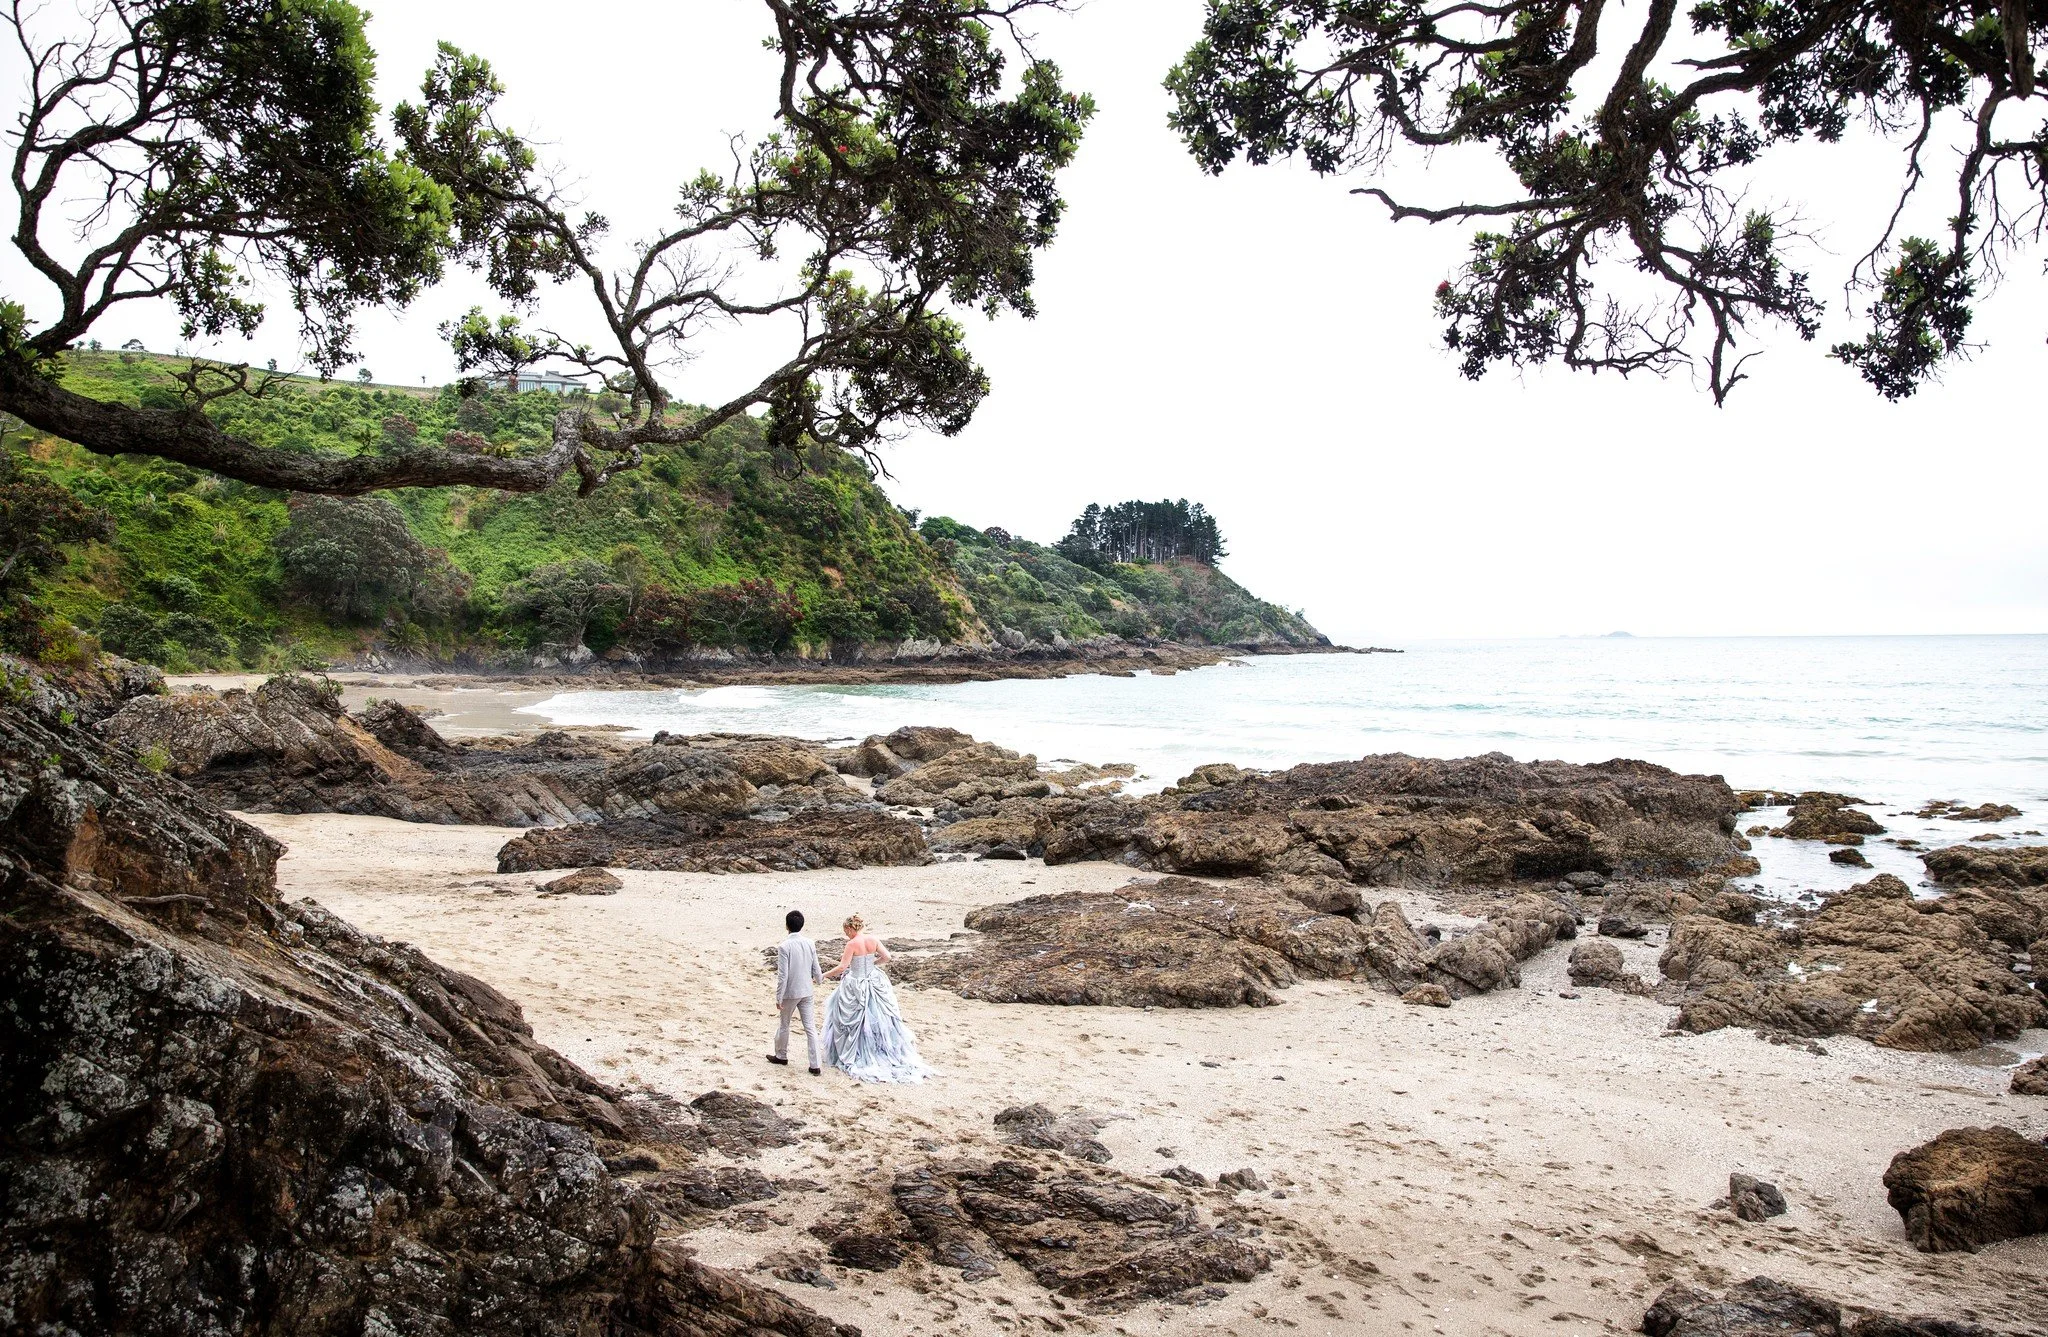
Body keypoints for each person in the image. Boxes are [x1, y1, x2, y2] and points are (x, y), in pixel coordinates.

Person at [819, 914, 934, 1083]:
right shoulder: (873, 939)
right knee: (882, 1016)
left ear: (850, 929)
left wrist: (824, 975)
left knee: (850, 1018)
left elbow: (843, 966)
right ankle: (881, 1050)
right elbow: (887, 957)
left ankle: (855, 1052)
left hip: (856, 983)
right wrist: (873, 964)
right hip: (874, 980)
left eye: (846, 931)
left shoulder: (852, 944)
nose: (846, 935)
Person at [768, 909, 823, 1075]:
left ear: (787, 926)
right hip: (807, 990)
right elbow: (816, 966)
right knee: (810, 1028)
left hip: (791, 992)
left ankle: (781, 1055)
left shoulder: (784, 946)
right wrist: (819, 979)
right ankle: (815, 1065)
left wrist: (779, 997)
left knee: (784, 1024)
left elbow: (783, 975)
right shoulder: (810, 943)